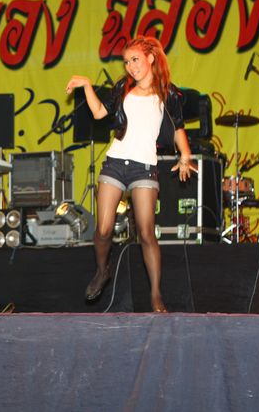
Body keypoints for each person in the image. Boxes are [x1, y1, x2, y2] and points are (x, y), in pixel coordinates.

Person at [65, 36, 195, 313]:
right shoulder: (123, 89)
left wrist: (185, 155)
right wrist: (87, 85)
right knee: (103, 229)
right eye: (126, 62)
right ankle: (102, 270)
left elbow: (178, 127)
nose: (130, 66)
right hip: (115, 163)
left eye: (135, 59)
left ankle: (156, 295)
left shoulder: (167, 93)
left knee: (146, 233)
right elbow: (99, 113)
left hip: (144, 166)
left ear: (150, 58)